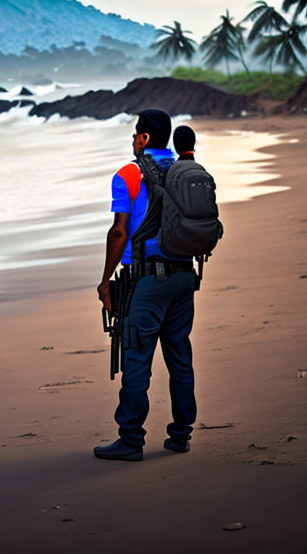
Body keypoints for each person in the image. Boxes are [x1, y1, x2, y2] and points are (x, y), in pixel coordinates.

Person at [95, 110, 197, 461]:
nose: (133, 140)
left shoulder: (128, 174)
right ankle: (181, 434)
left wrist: (106, 279)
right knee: (179, 355)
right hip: (185, 276)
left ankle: (131, 440)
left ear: (145, 138)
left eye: (136, 134)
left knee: (137, 358)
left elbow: (119, 230)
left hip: (148, 279)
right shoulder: (185, 171)